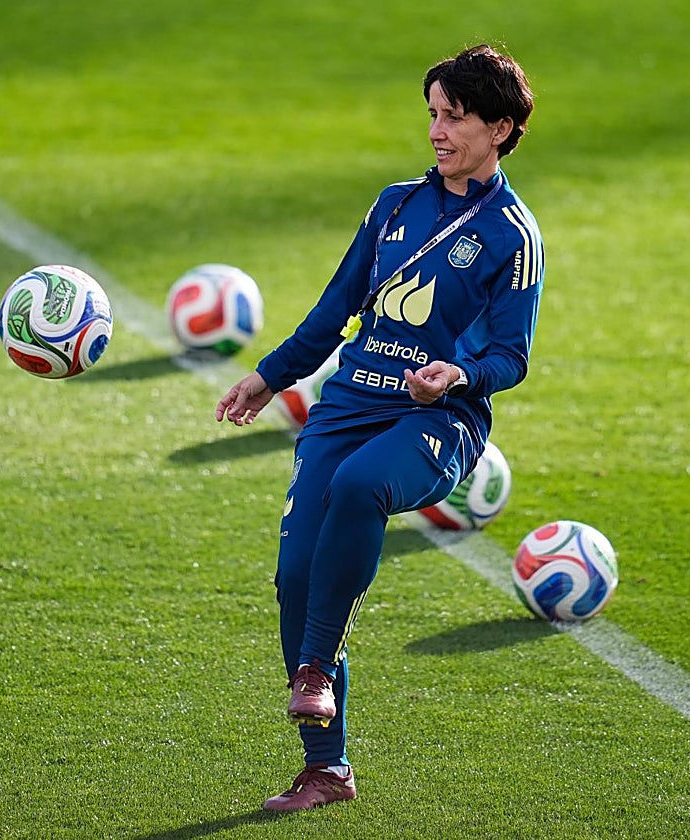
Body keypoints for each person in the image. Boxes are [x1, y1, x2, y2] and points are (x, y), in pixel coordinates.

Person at [215, 43, 543, 812]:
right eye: (432, 113)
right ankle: (327, 771)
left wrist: (456, 375)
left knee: (361, 488)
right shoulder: (394, 205)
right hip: (349, 404)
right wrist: (269, 375)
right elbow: (335, 312)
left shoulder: (512, 234)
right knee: (295, 580)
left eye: (454, 117)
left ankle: (316, 670)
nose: (436, 130)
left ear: (499, 128)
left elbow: (511, 355)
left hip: (440, 423)